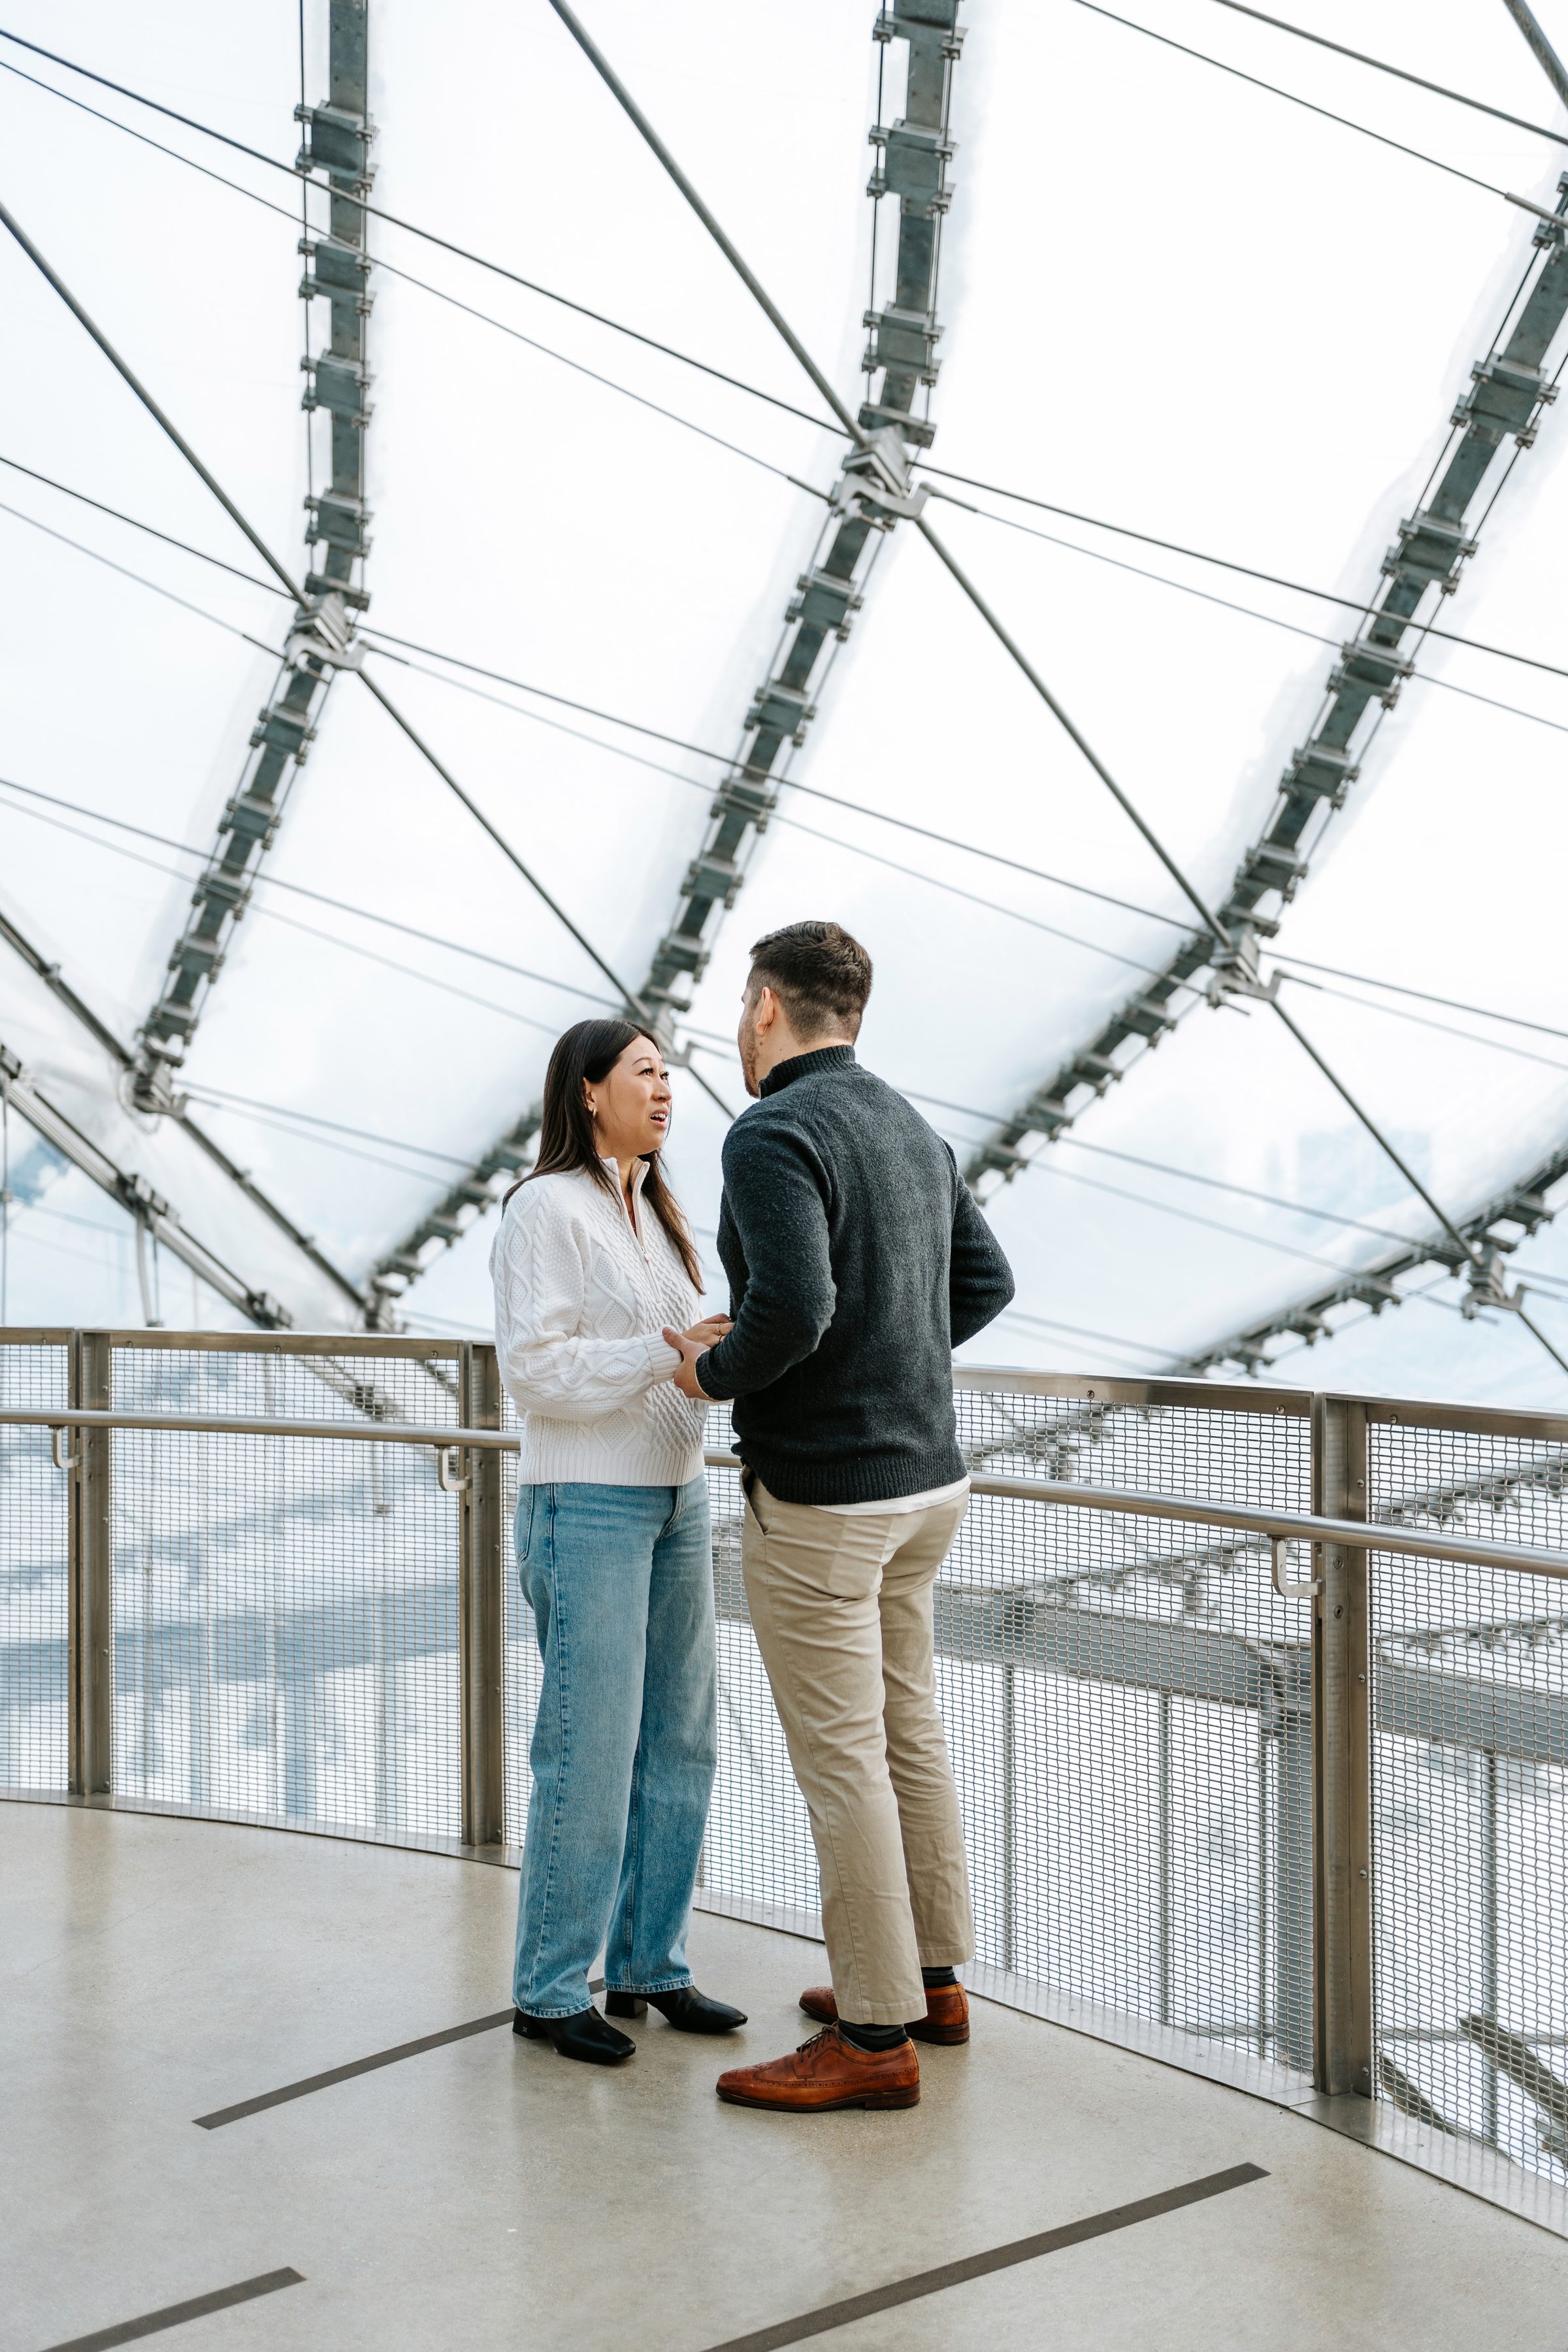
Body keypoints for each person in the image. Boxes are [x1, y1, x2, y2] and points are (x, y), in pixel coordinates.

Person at [663, 922, 1015, 2114]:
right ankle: (929, 1980)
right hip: (929, 1486)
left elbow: (797, 1307)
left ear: (765, 1006)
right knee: (907, 1726)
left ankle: (873, 2039)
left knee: (845, 1758)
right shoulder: (911, 1126)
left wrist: (709, 1376)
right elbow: (985, 1285)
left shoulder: (773, 1130)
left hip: (826, 1497)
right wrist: (880, 1363)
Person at [492, 1018, 746, 2066]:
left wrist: (703, 1348)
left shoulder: (664, 1214)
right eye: (644, 1071)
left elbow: (668, 1352)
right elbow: (536, 1370)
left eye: (669, 1073)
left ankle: (652, 1965)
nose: (665, 1087)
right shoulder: (543, 1209)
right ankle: (550, 1992)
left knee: (682, 1743)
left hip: (679, 1501)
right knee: (588, 1754)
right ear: (588, 1091)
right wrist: (662, 1352)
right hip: (587, 1504)